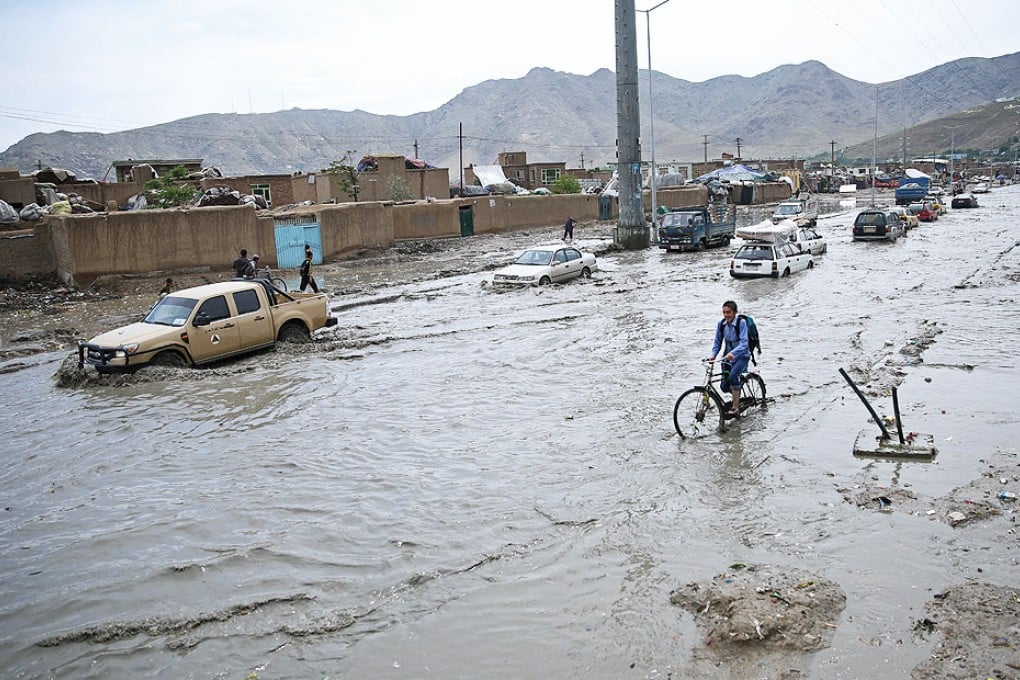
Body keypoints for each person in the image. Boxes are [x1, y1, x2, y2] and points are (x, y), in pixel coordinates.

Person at [707, 300, 750, 418]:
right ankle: (738, 395)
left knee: (732, 377)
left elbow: (744, 343)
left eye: (729, 312)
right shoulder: (721, 324)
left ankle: (735, 408)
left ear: (735, 312)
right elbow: (717, 342)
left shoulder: (741, 323)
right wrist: (713, 355)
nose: (726, 315)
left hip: (742, 356)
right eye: (724, 312)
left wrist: (734, 353)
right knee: (724, 386)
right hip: (727, 357)